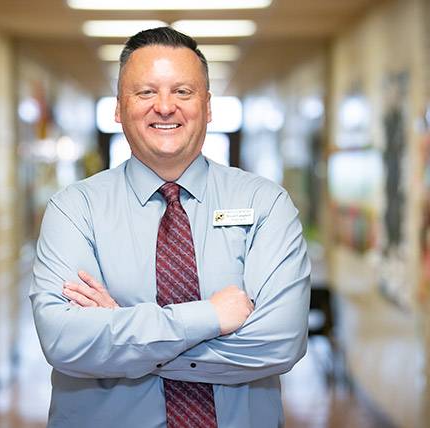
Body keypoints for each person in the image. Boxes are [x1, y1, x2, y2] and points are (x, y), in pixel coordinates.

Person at [30, 27, 311, 428]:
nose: (164, 107)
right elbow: (65, 341)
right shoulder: (75, 210)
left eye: (183, 92)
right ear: (118, 108)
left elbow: (280, 341)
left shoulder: (264, 204)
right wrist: (209, 317)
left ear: (208, 106)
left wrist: (126, 339)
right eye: (145, 92)